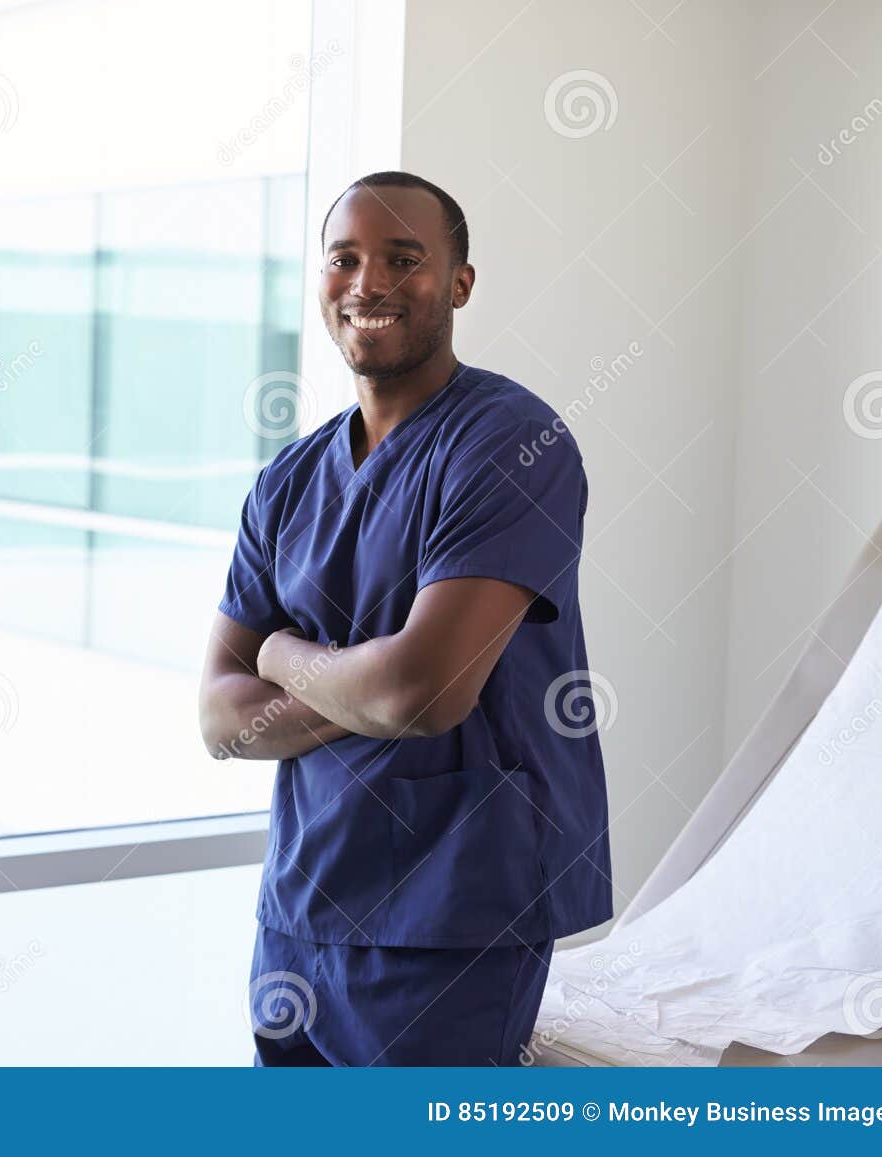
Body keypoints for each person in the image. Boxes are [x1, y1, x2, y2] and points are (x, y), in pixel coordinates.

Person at [198, 171, 613, 1066]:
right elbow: (219, 719)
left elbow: (421, 694)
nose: (367, 283)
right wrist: (368, 682)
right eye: (343, 258)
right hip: (301, 907)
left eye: (403, 259)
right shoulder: (288, 482)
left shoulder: (511, 444)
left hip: (454, 911)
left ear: (460, 283)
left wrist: (278, 649)